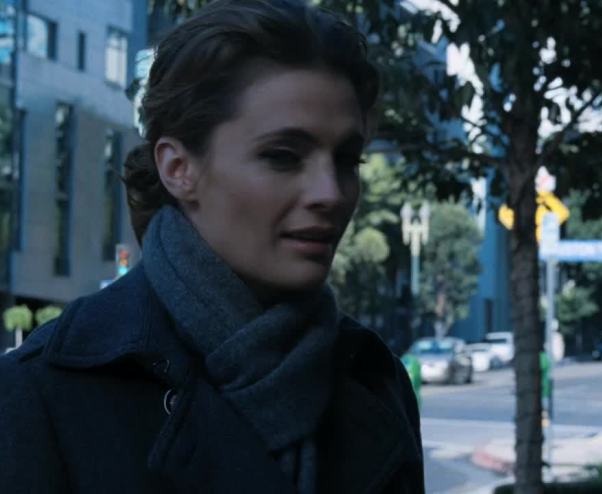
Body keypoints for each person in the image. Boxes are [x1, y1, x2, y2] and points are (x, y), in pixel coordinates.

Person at [0, 1, 424, 492]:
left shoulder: (374, 376)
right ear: (178, 168)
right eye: (283, 156)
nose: (330, 193)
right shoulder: (39, 393)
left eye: (347, 161)